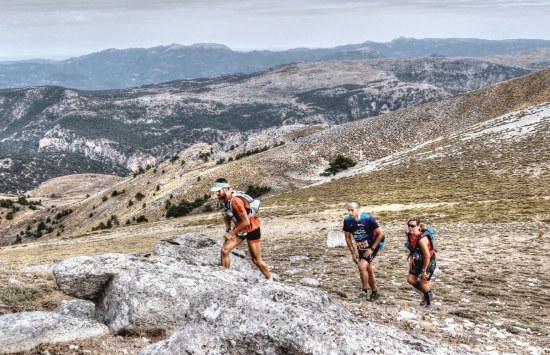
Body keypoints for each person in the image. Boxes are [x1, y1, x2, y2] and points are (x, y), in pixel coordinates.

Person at [211, 178, 273, 280]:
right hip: (240, 229)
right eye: (216, 191)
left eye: (219, 190)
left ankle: (270, 280)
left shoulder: (236, 201)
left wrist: (232, 233)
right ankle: (225, 278)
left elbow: (246, 222)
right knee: (224, 251)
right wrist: (228, 229)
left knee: (256, 260)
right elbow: (225, 215)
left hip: (252, 228)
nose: (217, 193)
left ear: (226, 189)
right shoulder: (221, 200)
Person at [343, 201, 385, 301]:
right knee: (368, 269)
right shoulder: (347, 220)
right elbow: (348, 238)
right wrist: (353, 253)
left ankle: (364, 291)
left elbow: (381, 234)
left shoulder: (368, 219)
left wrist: (372, 248)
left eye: (352, 210)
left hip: (372, 245)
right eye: (348, 210)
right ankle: (375, 293)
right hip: (361, 247)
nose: (350, 212)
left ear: (358, 209)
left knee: (362, 266)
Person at [406, 217, 436, 311]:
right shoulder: (410, 235)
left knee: (423, 283)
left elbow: (427, 256)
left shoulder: (422, 240)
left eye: (413, 226)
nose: (410, 228)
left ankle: (429, 304)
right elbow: (412, 247)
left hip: (429, 261)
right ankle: (428, 292)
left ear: (418, 226)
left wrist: (423, 271)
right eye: (409, 225)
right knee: (410, 279)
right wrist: (411, 258)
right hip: (419, 260)